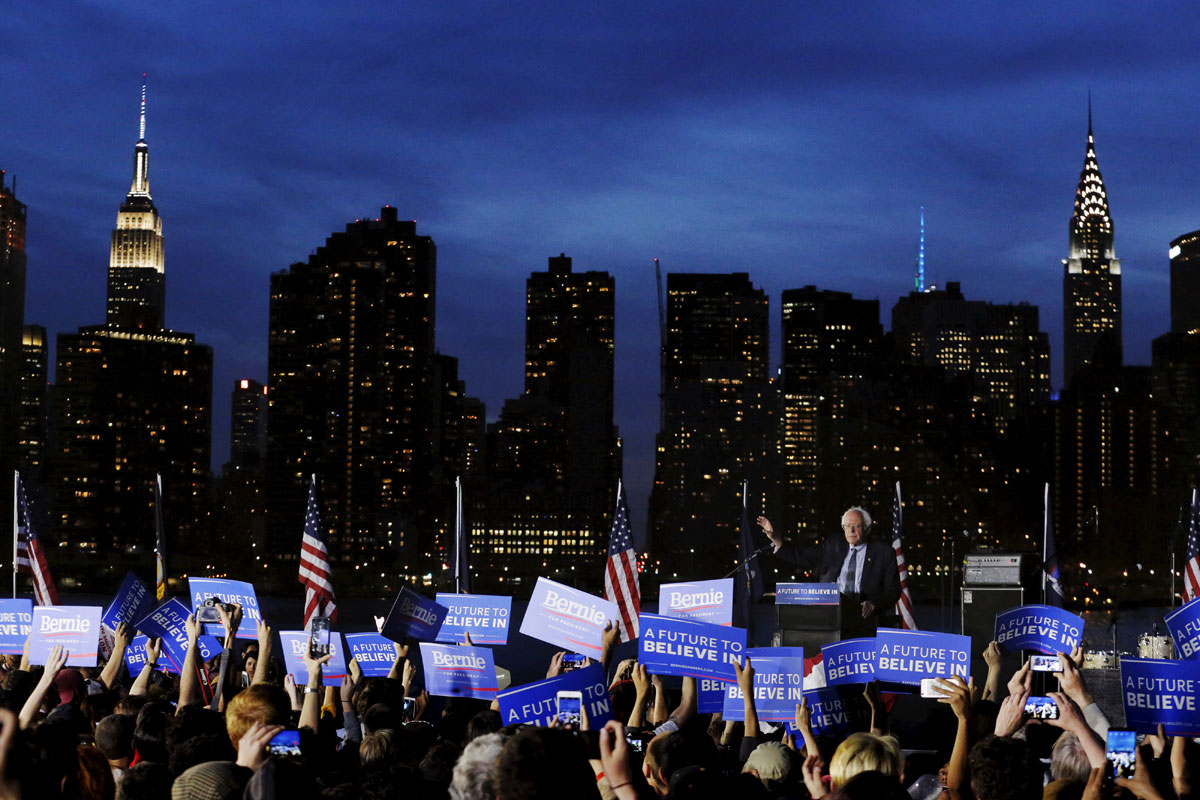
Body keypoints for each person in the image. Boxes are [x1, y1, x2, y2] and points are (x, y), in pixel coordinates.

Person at [758, 508, 900, 637]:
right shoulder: (834, 545)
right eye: (847, 526)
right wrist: (774, 537)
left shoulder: (884, 553)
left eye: (856, 526)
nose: (851, 531)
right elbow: (800, 556)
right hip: (829, 618)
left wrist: (874, 603)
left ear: (867, 529)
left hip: (865, 620)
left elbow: (893, 590)